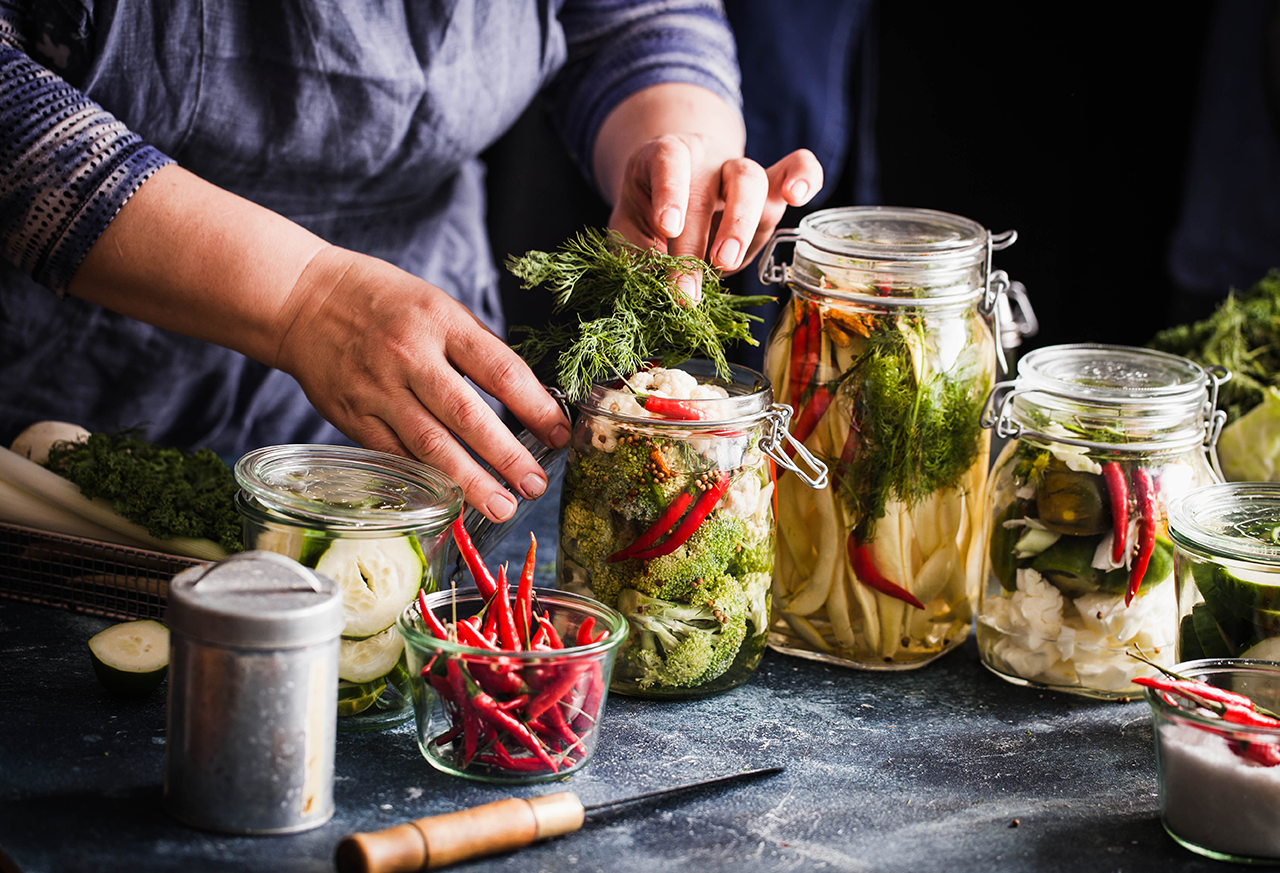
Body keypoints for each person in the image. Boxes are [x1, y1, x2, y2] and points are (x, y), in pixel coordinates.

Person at [0, 1, 823, 523]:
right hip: (69, 430)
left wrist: (678, 150)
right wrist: (300, 296)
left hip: (423, 448)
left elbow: (634, 18)